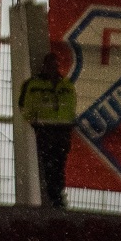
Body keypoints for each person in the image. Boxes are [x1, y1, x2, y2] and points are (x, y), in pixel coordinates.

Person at [17, 46, 78, 208]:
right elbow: (23, 106)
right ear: (44, 66)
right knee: (49, 164)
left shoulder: (66, 85)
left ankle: (57, 195)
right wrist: (35, 123)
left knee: (59, 165)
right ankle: (55, 197)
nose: (53, 68)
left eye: (55, 65)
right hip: (46, 130)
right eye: (50, 65)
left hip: (62, 131)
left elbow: (71, 107)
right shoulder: (33, 84)